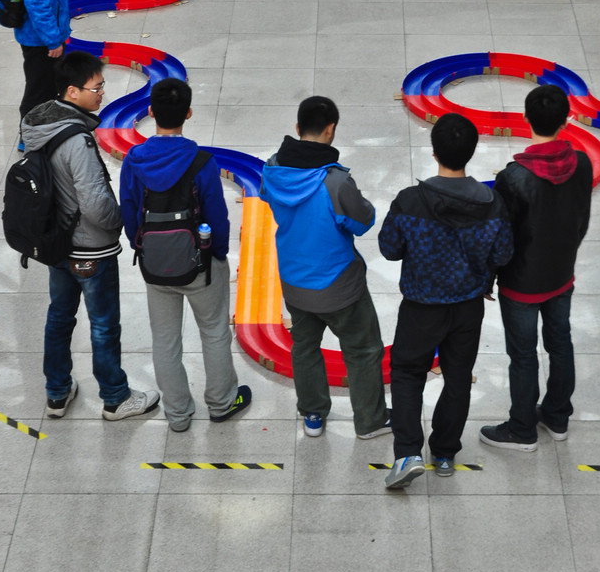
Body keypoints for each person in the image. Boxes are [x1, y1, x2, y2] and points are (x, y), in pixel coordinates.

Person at [20, 49, 160, 421]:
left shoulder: (39, 124)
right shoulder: (76, 141)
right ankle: (115, 397)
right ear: (72, 92)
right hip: (89, 248)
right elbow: (96, 203)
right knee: (103, 324)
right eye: (96, 88)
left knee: (59, 317)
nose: (102, 94)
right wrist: (119, 223)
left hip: (55, 240)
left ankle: (57, 392)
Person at [379, 113, 513, 489]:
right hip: (468, 307)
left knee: (408, 374)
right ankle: (444, 453)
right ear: (471, 151)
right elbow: (503, 253)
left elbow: (389, 249)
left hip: (420, 307)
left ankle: (408, 453)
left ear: (434, 151)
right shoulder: (493, 204)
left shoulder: (410, 201)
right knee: (457, 378)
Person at [119, 77, 252, 431]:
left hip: (155, 266)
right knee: (214, 332)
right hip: (200, 265)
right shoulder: (201, 161)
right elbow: (217, 217)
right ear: (188, 113)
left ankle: (177, 414)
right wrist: (218, 255)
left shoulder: (134, 161)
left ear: (150, 112)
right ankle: (222, 402)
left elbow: (128, 211)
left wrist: (142, 247)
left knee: (165, 341)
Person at [260, 95, 389, 439]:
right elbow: (362, 221)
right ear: (330, 130)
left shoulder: (273, 169)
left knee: (305, 347)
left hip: (294, 280)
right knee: (363, 349)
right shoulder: (334, 182)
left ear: (298, 127)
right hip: (339, 284)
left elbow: (270, 199)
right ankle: (370, 421)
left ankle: (313, 414)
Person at [481, 85, 592, 451]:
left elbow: (502, 237)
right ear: (565, 121)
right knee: (560, 343)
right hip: (561, 275)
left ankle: (522, 428)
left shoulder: (514, 177)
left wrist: (489, 277)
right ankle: (557, 417)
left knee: (523, 355)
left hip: (521, 284)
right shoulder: (583, 164)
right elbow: (581, 220)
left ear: (526, 118)